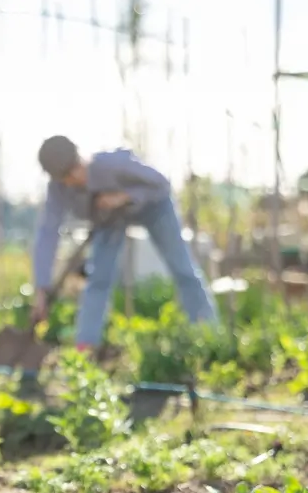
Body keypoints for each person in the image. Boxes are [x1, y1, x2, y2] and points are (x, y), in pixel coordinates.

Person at [30, 135, 218, 349]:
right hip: (109, 219)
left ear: (79, 157)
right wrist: (41, 289)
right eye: (66, 176)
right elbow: (47, 233)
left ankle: (209, 335)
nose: (75, 177)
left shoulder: (112, 164)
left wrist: (124, 196)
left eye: (75, 168)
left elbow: (161, 184)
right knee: (98, 280)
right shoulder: (58, 190)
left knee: (182, 269)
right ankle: (86, 348)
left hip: (154, 207)